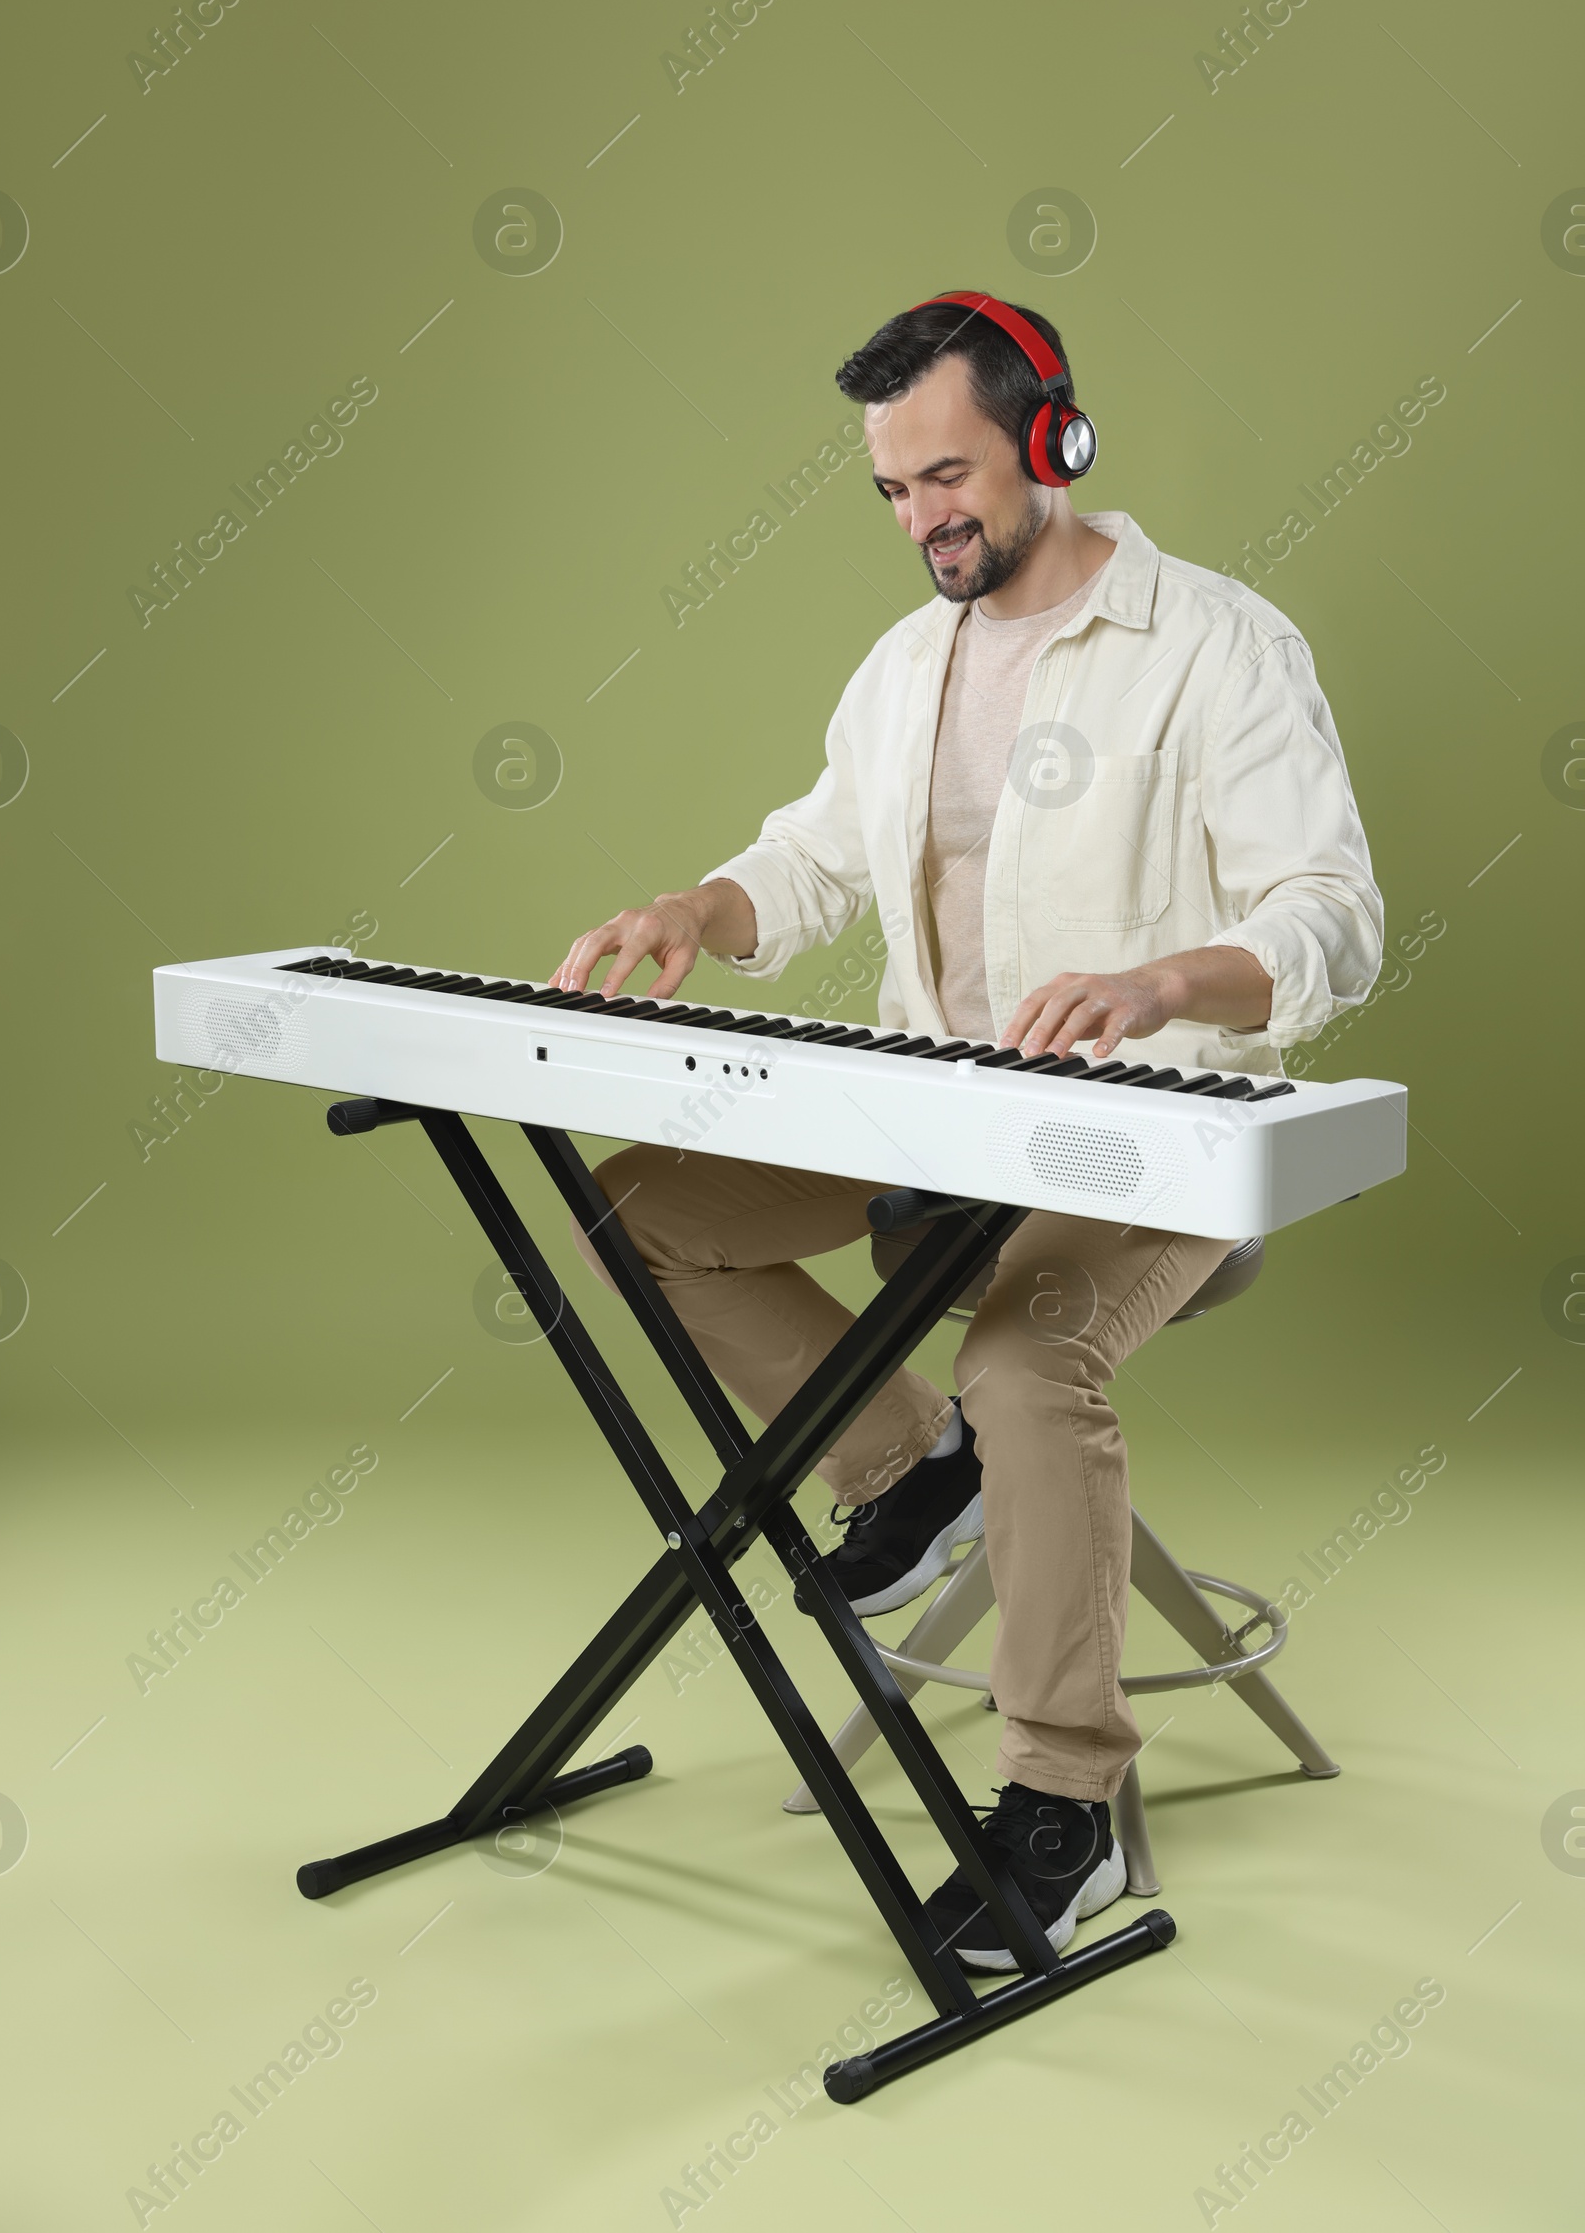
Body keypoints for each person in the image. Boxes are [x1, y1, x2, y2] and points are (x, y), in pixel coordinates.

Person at [556, 293, 1382, 1969]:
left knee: (1024, 1368)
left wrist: (1161, 982)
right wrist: (696, 907)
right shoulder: (904, 666)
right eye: (893, 490)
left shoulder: (1220, 643)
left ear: (1051, 440)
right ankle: (907, 1468)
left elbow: (1337, 918)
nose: (926, 518)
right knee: (637, 1208)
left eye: (949, 475)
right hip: (937, 1112)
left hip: (1159, 1136)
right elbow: (811, 856)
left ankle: (1062, 1810)